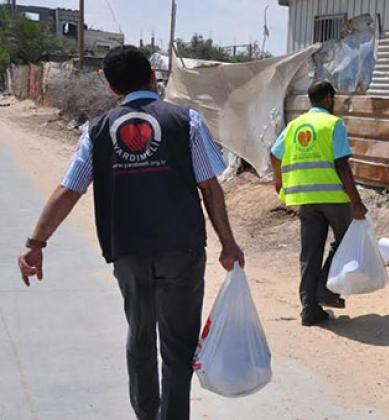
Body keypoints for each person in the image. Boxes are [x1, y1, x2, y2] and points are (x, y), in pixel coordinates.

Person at [17, 46, 244, 420]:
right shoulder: (186, 121)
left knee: (140, 336)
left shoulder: (97, 130)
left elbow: (70, 189)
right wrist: (228, 243)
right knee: (177, 344)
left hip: (128, 252)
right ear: (154, 78)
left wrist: (36, 243)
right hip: (182, 251)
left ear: (111, 87)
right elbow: (209, 186)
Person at [270, 80, 367, 326]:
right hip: (333, 196)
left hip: (305, 198)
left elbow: (274, 153)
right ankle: (324, 287)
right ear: (327, 98)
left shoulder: (294, 125)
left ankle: (309, 310)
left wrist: (278, 180)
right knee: (345, 242)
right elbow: (342, 165)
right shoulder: (333, 124)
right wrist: (356, 201)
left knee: (310, 254)